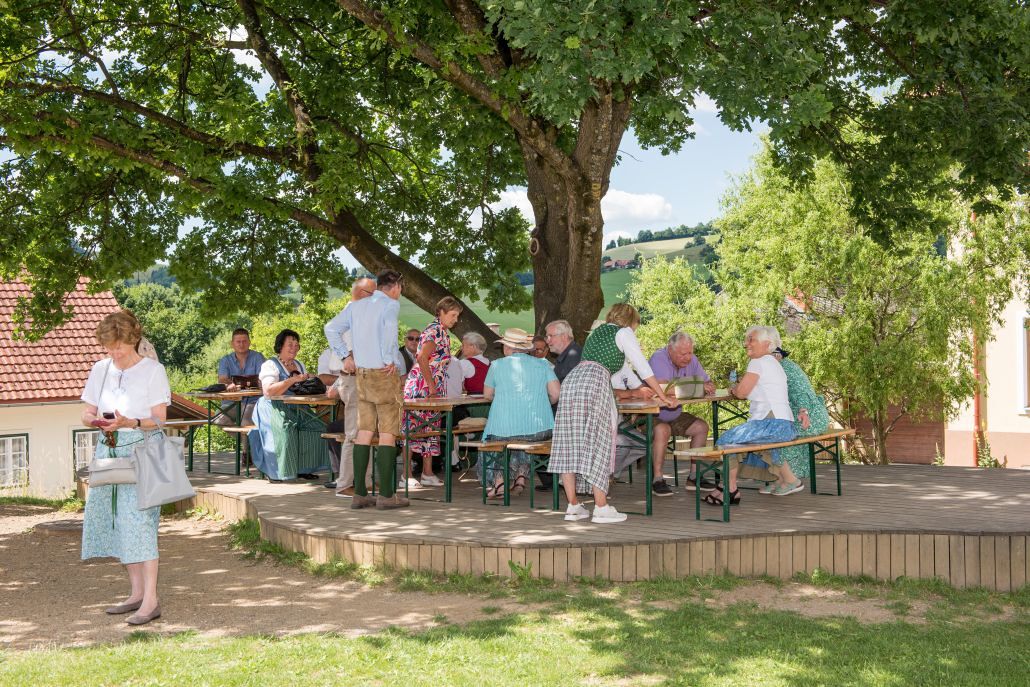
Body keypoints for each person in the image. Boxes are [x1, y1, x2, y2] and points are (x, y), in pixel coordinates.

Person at [80, 310, 170, 626]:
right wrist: (95, 421)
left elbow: (160, 418)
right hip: (109, 448)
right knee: (118, 519)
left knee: (140, 522)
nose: (114, 352)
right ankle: (136, 594)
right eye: (109, 347)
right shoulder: (100, 369)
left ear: (133, 339)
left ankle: (151, 600)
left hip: (144, 450)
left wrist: (131, 422)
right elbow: (86, 412)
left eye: (119, 346)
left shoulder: (153, 370)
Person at [549, 303, 676, 524]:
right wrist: (662, 396)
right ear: (631, 321)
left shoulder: (598, 332)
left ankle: (573, 506)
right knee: (600, 441)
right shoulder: (624, 332)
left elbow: (625, 370)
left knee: (569, 443)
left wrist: (645, 390)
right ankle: (601, 508)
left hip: (573, 382)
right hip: (596, 382)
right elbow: (642, 366)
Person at [324, 269, 409, 510]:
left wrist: (345, 356)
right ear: (395, 286)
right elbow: (390, 333)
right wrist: (389, 359)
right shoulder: (390, 305)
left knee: (364, 431)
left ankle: (360, 493)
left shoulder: (356, 306)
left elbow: (330, 328)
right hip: (383, 374)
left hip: (361, 375)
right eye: (400, 288)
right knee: (388, 432)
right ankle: (387, 495)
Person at [707, 325, 801, 507]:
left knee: (725, 441)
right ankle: (787, 479)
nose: (746, 343)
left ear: (767, 344)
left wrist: (734, 390)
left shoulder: (758, 362)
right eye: (747, 339)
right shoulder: (774, 363)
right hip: (785, 426)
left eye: (752, 340)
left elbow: (741, 392)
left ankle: (729, 489)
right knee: (756, 445)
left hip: (772, 424)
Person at [479, 329, 560, 498]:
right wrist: (544, 403)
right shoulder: (543, 364)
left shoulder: (496, 365)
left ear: (508, 347)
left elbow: (487, 395)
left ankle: (500, 483)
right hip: (541, 429)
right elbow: (556, 394)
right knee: (522, 436)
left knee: (494, 439)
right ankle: (520, 478)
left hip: (503, 430)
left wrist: (503, 399)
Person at [249, 329, 328, 483]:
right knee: (286, 430)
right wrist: (292, 380)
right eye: (290, 344)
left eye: (296, 345)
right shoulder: (270, 365)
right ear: (280, 346)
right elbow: (268, 391)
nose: (294, 348)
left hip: (298, 406)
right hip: (273, 407)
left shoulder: (299, 364)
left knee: (317, 427)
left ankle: (304, 468)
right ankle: (277, 471)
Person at [321, 278, 376, 496]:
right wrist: (346, 356)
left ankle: (365, 482)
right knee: (354, 432)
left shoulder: (360, 314)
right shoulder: (351, 312)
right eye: (373, 294)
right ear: (362, 293)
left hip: (363, 378)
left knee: (366, 431)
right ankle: (344, 484)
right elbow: (330, 329)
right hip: (352, 378)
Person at [403, 297, 463, 487]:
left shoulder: (443, 332)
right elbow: (422, 357)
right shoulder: (434, 331)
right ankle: (406, 475)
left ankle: (427, 473)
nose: (456, 319)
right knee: (413, 429)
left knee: (430, 429)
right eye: (453, 315)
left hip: (432, 385)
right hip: (422, 386)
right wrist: (431, 385)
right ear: (441, 312)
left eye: (457, 316)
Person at [647, 332, 715, 496]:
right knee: (663, 429)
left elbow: (707, 382)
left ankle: (694, 476)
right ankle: (657, 479)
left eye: (690, 353)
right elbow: (663, 388)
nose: (688, 358)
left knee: (701, 427)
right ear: (670, 350)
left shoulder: (692, 360)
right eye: (683, 354)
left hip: (674, 414)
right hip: (650, 415)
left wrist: (708, 385)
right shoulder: (659, 358)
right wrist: (697, 387)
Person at [773, 347, 830, 483]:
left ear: (777, 355)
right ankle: (781, 480)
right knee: (774, 430)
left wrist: (804, 411)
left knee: (773, 434)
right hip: (814, 415)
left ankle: (788, 481)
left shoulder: (783, 368)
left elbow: (801, 393)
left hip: (811, 418)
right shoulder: (787, 365)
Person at [538, 319, 581, 490]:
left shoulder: (573, 357)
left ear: (564, 336)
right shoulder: (569, 355)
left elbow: (562, 393)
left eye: (551, 336)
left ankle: (553, 479)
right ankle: (551, 479)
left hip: (568, 419)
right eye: (547, 336)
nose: (547, 340)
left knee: (530, 427)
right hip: (564, 416)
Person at [214, 328, 266, 427]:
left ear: (249, 343)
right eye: (238, 342)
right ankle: (241, 437)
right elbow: (222, 379)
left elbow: (261, 378)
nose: (241, 344)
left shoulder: (258, 357)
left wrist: (237, 384)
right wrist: (230, 384)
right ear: (232, 344)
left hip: (253, 401)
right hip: (231, 402)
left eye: (244, 341)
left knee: (245, 422)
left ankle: (244, 436)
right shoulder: (225, 360)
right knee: (218, 419)